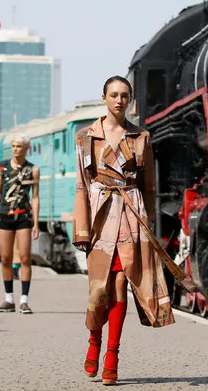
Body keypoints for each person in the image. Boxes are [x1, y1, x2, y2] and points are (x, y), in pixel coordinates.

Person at [73, 76, 175, 385]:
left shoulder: (141, 136)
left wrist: (149, 225)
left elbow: (149, 187)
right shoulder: (85, 136)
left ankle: (112, 356)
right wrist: (81, 230)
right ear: (103, 97)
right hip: (100, 217)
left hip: (132, 217)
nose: (119, 100)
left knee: (120, 286)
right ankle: (94, 341)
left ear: (130, 100)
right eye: (114, 95)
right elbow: (81, 184)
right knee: (99, 292)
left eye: (125, 95)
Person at [0, 135, 40, 314]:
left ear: (26, 148)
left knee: (25, 257)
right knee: (5, 258)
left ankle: (24, 300)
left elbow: (35, 197)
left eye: (19, 146)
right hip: (4, 215)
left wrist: (36, 222)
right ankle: (8, 299)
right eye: (13, 146)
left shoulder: (33, 169)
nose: (15, 149)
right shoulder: (2, 167)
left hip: (24, 217)